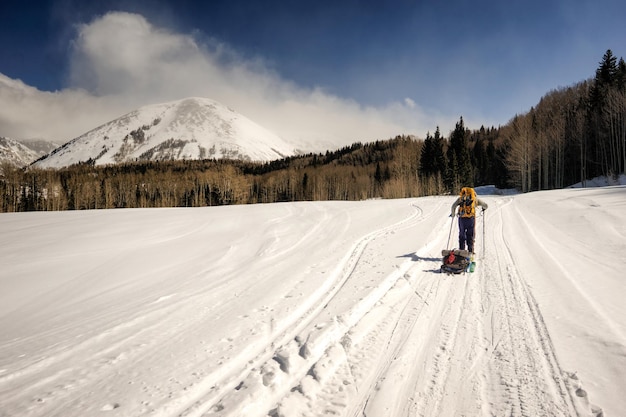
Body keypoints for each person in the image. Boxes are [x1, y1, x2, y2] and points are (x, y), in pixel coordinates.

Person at [450, 187, 488, 254]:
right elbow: (486, 205)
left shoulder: (460, 199)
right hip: (471, 219)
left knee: (462, 234)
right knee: (470, 234)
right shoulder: (475, 199)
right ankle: (470, 251)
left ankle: (461, 251)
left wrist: (453, 214)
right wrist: (483, 208)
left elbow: (453, 206)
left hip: (462, 219)